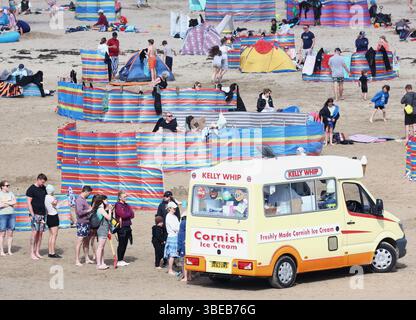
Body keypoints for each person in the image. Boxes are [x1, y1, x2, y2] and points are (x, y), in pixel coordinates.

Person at [26, 173, 48, 260]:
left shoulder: (44, 188)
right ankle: (32, 252)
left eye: (44, 182)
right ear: (38, 179)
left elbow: (46, 199)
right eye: (42, 182)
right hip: (35, 214)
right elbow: (28, 203)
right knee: (34, 233)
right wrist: (32, 214)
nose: (43, 183)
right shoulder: (31, 189)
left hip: (43, 214)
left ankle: (37, 252)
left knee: (40, 234)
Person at [75, 185, 94, 266]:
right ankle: (77, 260)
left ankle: (87, 258)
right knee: (79, 242)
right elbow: (79, 212)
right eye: (89, 193)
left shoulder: (84, 200)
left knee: (86, 242)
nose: (90, 194)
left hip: (86, 223)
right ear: (86, 191)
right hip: (82, 223)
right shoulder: (79, 200)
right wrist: (89, 210)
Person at [92, 194, 112, 270]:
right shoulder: (101, 209)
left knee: (102, 247)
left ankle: (102, 262)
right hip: (102, 229)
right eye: (106, 200)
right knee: (100, 247)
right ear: (102, 201)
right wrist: (110, 210)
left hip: (103, 229)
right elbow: (109, 218)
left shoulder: (100, 208)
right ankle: (98, 264)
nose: (107, 201)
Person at [115, 191, 134, 267]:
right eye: (124, 196)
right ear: (120, 197)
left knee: (125, 243)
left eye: (126, 196)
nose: (126, 198)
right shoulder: (118, 205)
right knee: (121, 243)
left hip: (127, 226)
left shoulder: (127, 205)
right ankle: (119, 260)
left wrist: (128, 214)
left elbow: (132, 214)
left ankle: (121, 259)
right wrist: (128, 214)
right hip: (121, 227)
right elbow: (122, 215)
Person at [0, 180, 16, 256]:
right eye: (6, 185)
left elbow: (14, 202)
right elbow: (0, 205)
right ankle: (2, 251)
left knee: (10, 233)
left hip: (11, 214)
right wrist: (9, 203)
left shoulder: (11, 193)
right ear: (2, 186)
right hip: (2, 215)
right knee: (2, 233)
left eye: (8, 185)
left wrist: (5, 202)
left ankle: (9, 250)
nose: (8, 187)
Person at [45, 184, 61, 258]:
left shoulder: (45, 197)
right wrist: (57, 201)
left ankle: (50, 251)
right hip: (53, 216)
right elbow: (56, 206)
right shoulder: (51, 198)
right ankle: (52, 252)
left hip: (48, 216)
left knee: (51, 235)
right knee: (54, 235)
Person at [164, 202, 180, 276]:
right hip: (172, 236)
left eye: (175, 208)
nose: (175, 209)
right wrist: (180, 229)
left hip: (175, 235)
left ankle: (171, 268)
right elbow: (174, 228)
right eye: (173, 208)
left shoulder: (174, 216)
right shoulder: (169, 216)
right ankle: (170, 269)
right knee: (172, 254)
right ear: (169, 208)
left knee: (174, 254)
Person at [177, 212, 191, 281]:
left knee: (183, 261)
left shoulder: (183, 223)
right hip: (187, 244)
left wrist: (178, 248)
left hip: (183, 245)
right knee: (189, 260)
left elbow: (180, 238)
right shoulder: (188, 224)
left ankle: (185, 277)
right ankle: (189, 276)